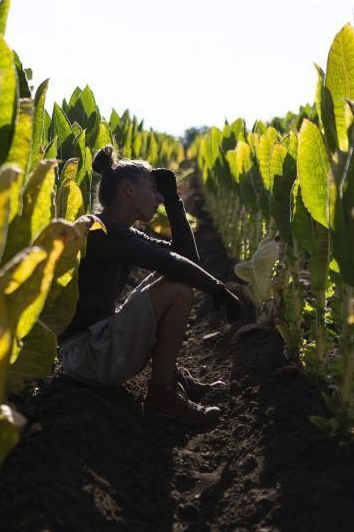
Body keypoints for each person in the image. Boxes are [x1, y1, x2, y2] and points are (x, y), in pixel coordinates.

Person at [57, 145, 242, 426]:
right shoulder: (100, 230)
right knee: (177, 290)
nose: (158, 197)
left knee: (177, 279)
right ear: (129, 189)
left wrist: (173, 200)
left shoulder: (120, 229)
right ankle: (161, 395)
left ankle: (170, 375)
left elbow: (185, 258)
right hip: (85, 355)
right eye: (154, 189)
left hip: (96, 344)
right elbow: (172, 262)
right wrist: (217, 289)